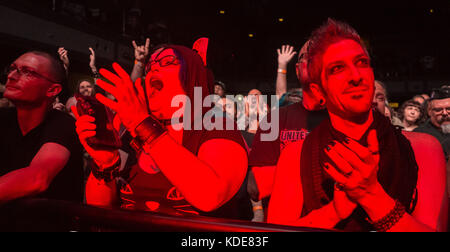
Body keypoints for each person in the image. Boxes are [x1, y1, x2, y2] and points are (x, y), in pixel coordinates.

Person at [268, 19, 447, 232]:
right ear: (318, 91)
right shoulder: (296, 155)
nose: (355, 76)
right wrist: (334, 211)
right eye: (337, 68)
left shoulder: (423, 148)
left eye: (361, 62)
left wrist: (372, 197)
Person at [72, 43, 250, 219]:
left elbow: (211, 196)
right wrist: (105, 165)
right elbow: (98, 208)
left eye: (167, 62)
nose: (154, 68)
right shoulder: (128, 129)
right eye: (150, 65)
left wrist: (143, 126)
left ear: (193, 76)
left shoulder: (217, 124)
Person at [247, 40, 328, 210]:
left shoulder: (351, 119)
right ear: (298, 70)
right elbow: (256, 186)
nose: (316, 61)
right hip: (284, 221)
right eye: (308, 57)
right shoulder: (275, 119)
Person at [0, 51, 84, 206]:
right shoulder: (4, 118)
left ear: (52, 90)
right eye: (12, 68)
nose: (11, 75)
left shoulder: (63, 124)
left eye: (27, 72)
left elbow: (37, 178)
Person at [414, 88, 450, 161]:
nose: (445, 113)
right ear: (429, 112)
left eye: (449, 108)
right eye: (438, 110)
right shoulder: (419, 134)